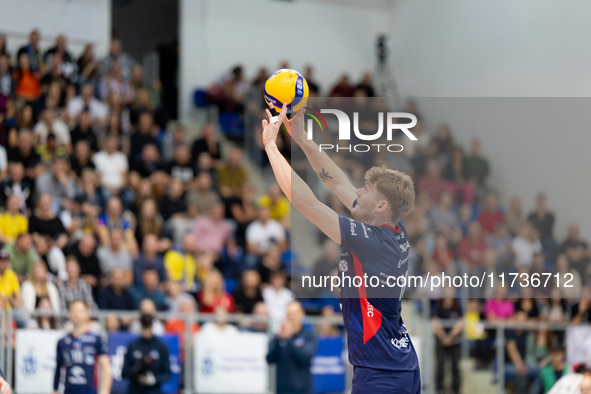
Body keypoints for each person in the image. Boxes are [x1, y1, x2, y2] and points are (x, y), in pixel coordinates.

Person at [261, 104, 420, 392]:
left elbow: (305, 203)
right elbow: (339, 182)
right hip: (399, 365)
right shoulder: (394, 229)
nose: (357, 192)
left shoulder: (372, 241)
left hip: (380, 372)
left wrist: (271, 146)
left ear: (382, 206)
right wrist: (303, 140)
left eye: (366, 191)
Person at [53, 300, 112, 394]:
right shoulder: (62, 341)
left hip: (90, 391)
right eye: (74, 311)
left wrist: (105, 390)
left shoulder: (96, 339)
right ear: (69, 314)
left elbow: (105, 365)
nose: (77, 315)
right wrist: (55, 389)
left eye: (80, 311)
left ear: (86, 314)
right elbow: (58, 368)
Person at [266, 301, 317, 394]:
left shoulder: (308, 335)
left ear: (302, 315)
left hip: (302, 389)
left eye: (294, 314)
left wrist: (289, 340)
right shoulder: (279, 336)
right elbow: (269, 359)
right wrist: (279, 340)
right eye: (289, 314)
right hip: (281, 389)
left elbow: (305, 358)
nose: (291, 317)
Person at [122, 309, 171, 394]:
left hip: (154, 390)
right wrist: (138, 368)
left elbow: (167, 374)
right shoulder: (133, 345)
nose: (146, 330)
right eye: (144, 326)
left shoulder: (161, 346)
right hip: (135, 389)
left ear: (152, 326)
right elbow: (124, 372)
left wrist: (154, 379)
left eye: (148, 326)